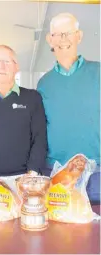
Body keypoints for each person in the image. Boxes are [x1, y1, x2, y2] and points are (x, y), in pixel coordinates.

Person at [37, 13, 100, 204]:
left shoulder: (98, 72)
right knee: (59, 231)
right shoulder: (44, 83)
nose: (63, 39)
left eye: (68, 33)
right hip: (56, 171)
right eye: (57, 34)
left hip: (97, 172)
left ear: (79, 36)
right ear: (50, 39)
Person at [0, 45, 47, 177]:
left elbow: (40, 138)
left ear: (16, 67)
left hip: (23, 178)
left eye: (7, 61)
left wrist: (32, 174)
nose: (2, 66)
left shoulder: (32, 98)